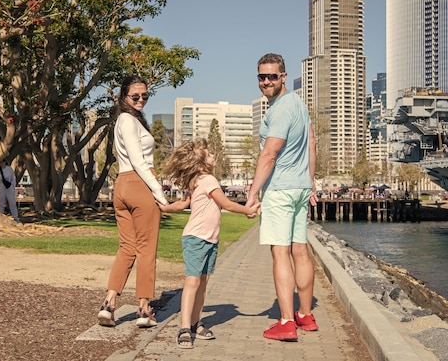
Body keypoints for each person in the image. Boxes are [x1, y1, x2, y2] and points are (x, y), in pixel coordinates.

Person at [245, 53, 319, 342]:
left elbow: (269, 154)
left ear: (283, 77)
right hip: (300, 188)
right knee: (299, 250)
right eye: (262, 77)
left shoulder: (279, 110)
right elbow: (312, 143)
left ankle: (287, 322)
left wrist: (252, 194)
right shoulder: (300, 105)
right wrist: (311, 182)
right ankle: (305, 315)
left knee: (280, 253)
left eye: (272, 76)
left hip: (280, 190)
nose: (266, 82)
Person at [158, 138, 259, 349]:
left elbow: (182, 204)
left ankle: (195, 322)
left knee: (203, 283)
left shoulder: (198, 181)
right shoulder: (207, 180)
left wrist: (166, 208)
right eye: (209, 153)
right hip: (196, 238)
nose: (213, 155)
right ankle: (184, 327)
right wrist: (248, 210)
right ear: (202, 161)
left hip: (210, 239)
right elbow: (226, 204)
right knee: (193, 282)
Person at [98, 75, 169, 329]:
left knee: (127, 247)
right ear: (123, 97)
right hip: (139, 182)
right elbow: (139, 161)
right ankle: (143, 309)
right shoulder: (127, 120)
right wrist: (160, 193)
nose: (140, 100)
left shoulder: (126, 120)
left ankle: (108, 303)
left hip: (122, 185)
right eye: (135, 96)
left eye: (145, 96)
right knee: (146, 249)